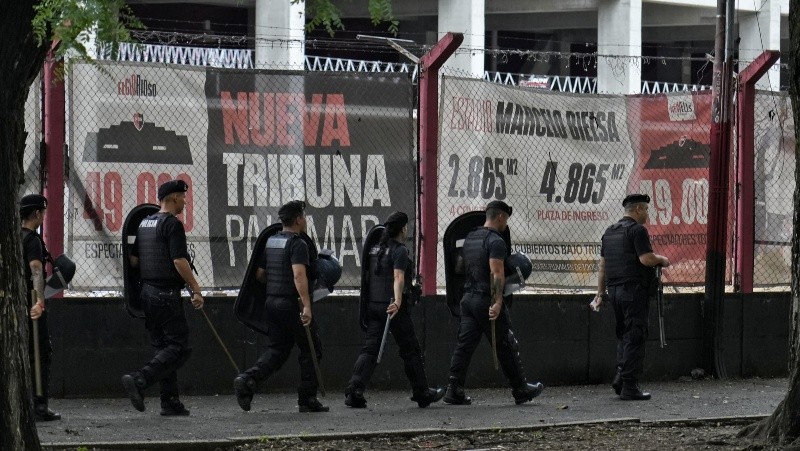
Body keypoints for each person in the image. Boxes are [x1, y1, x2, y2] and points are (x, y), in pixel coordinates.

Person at [444, 200, 544, 405]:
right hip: (485, 300)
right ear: (500, 217)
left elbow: (460, 267)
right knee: (507, 343)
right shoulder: (496, 241)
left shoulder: (471, 237)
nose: (506, 224)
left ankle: (453, 389)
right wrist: (498, 302)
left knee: (464, 346)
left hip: (468, 299)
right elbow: (497, 274)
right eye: (506, 219)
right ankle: (521, 389)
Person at [233, 200, 328, 413]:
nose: (305, 220)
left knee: (278, 348)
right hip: (292, 304)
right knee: (312, 349)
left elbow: (260, 274)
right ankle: (307, 399)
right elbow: (298, 274)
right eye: (303, 216)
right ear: (297, 220)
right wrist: (306, 306)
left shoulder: (272, 241)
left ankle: (248, 380)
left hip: (272, 303)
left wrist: (277, 282)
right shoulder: (298, 244)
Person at [345, 212, 444, 409]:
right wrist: (398, 301)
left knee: (370, 349)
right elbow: (398, 277)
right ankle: (422, 392)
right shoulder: (399, 251)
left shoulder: (375, 248)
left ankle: (354, 390)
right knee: (410, 349)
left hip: (374, 305)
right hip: (393, 307)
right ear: (402, 229)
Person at [122, 179, 204, 415]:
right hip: (166, 295)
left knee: (163, 348)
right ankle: (140, 379)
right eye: (183, 197)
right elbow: (179, 260)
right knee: (180, 346)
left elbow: (135, 260)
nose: (185, 202)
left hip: (147, 294)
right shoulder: (172, 225)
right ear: (174, 198)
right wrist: (196, 288)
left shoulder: (145, 223)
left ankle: (169, 402)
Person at [591, 194, 670, 401]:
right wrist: (662, 259)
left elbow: (602, 267)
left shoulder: (609, 233)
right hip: (634, 291)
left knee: (624, 335)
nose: (647, 214)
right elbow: (646, 259)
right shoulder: (637, 231)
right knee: (636, 335)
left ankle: (621, 377)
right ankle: (630, 386)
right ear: (637, 210)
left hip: (615, 292)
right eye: (645, 209)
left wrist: (600, 293)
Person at [20, 194, 61, 421]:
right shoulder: (33, 240)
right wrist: (39, 302)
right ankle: (39, 406)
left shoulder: (11, 235)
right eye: (43, 212)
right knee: (40, 353)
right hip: (29, 299)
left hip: (14, 301)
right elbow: (36, 271)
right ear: (37, 213)